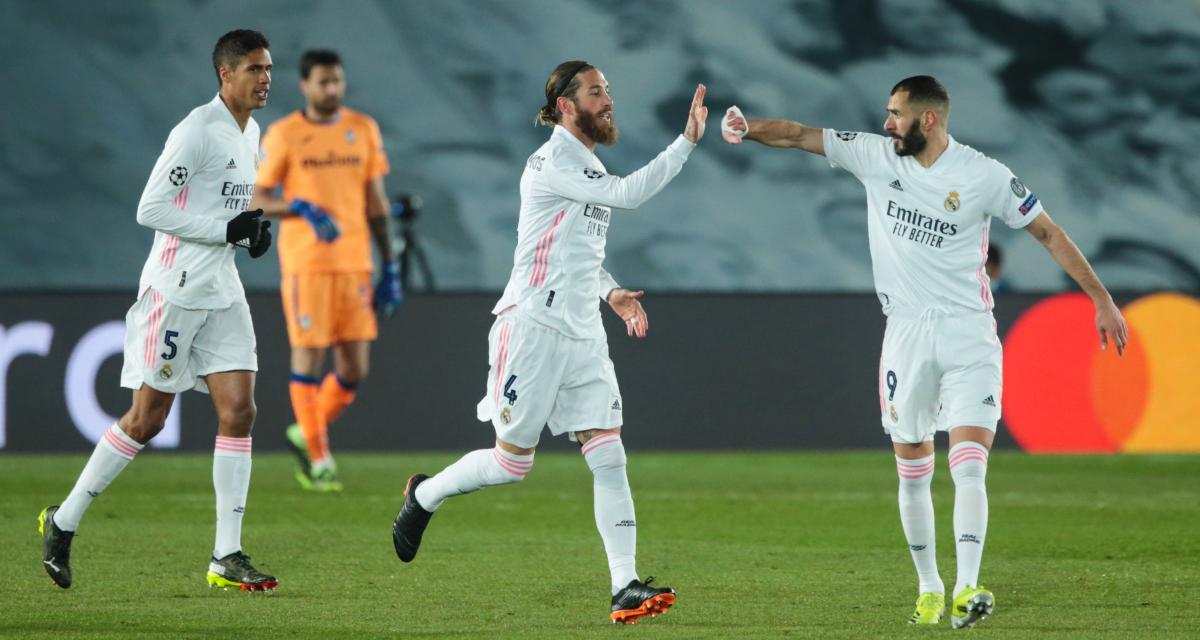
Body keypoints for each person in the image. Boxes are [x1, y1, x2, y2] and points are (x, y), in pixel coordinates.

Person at [722, 75, 1127, 629]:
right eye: (887, 113)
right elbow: (796, 135)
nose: (887, 122)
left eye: (896, 113)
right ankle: (930, 588)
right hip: (907, 335)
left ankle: (967, 587)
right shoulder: (875, 156)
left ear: (929, 119)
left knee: (970, 468)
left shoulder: (984, 175)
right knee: (912, 473)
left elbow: (1049, 233)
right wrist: (747, 129)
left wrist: (1101, 298)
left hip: (969, 334)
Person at [390, 60, 708, 625]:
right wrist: (684, 143)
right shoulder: (554, 160)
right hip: (533, 326)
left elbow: (580, 252)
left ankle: (624, 586)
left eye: (608, 90)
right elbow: (628, 195)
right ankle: (425, 495)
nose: (608, 99)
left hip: (583, 329)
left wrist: (609, 293)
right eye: (596, 91)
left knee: (609, 452)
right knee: (513, 465)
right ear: (565, 104)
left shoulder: (585, 164)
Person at [39, 29, 277, 592]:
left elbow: (225, 212)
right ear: (225, 74)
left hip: (223, 291)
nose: (266, 79)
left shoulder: (253, 132)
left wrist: (248, 236)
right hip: (173, 292)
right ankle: (64, 520)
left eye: (268, 69)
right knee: (147, 419)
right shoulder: (196, 131)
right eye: (254, 70)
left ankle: (227, 554)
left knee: (240, 410)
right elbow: (150, 208)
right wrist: (226, 230)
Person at [250, 49, 397, 492]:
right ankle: (318, 458)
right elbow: (256, 199)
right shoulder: (285, 135)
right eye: (323, 82)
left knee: (354, 369)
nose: (332, 89)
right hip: (307, 265)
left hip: (355, 263)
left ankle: (304, 431)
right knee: (309, 359)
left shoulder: (362, 129)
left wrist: (389, 264)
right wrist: (296, 206)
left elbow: (375, 202)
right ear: (305, 86)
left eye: (337, 81)